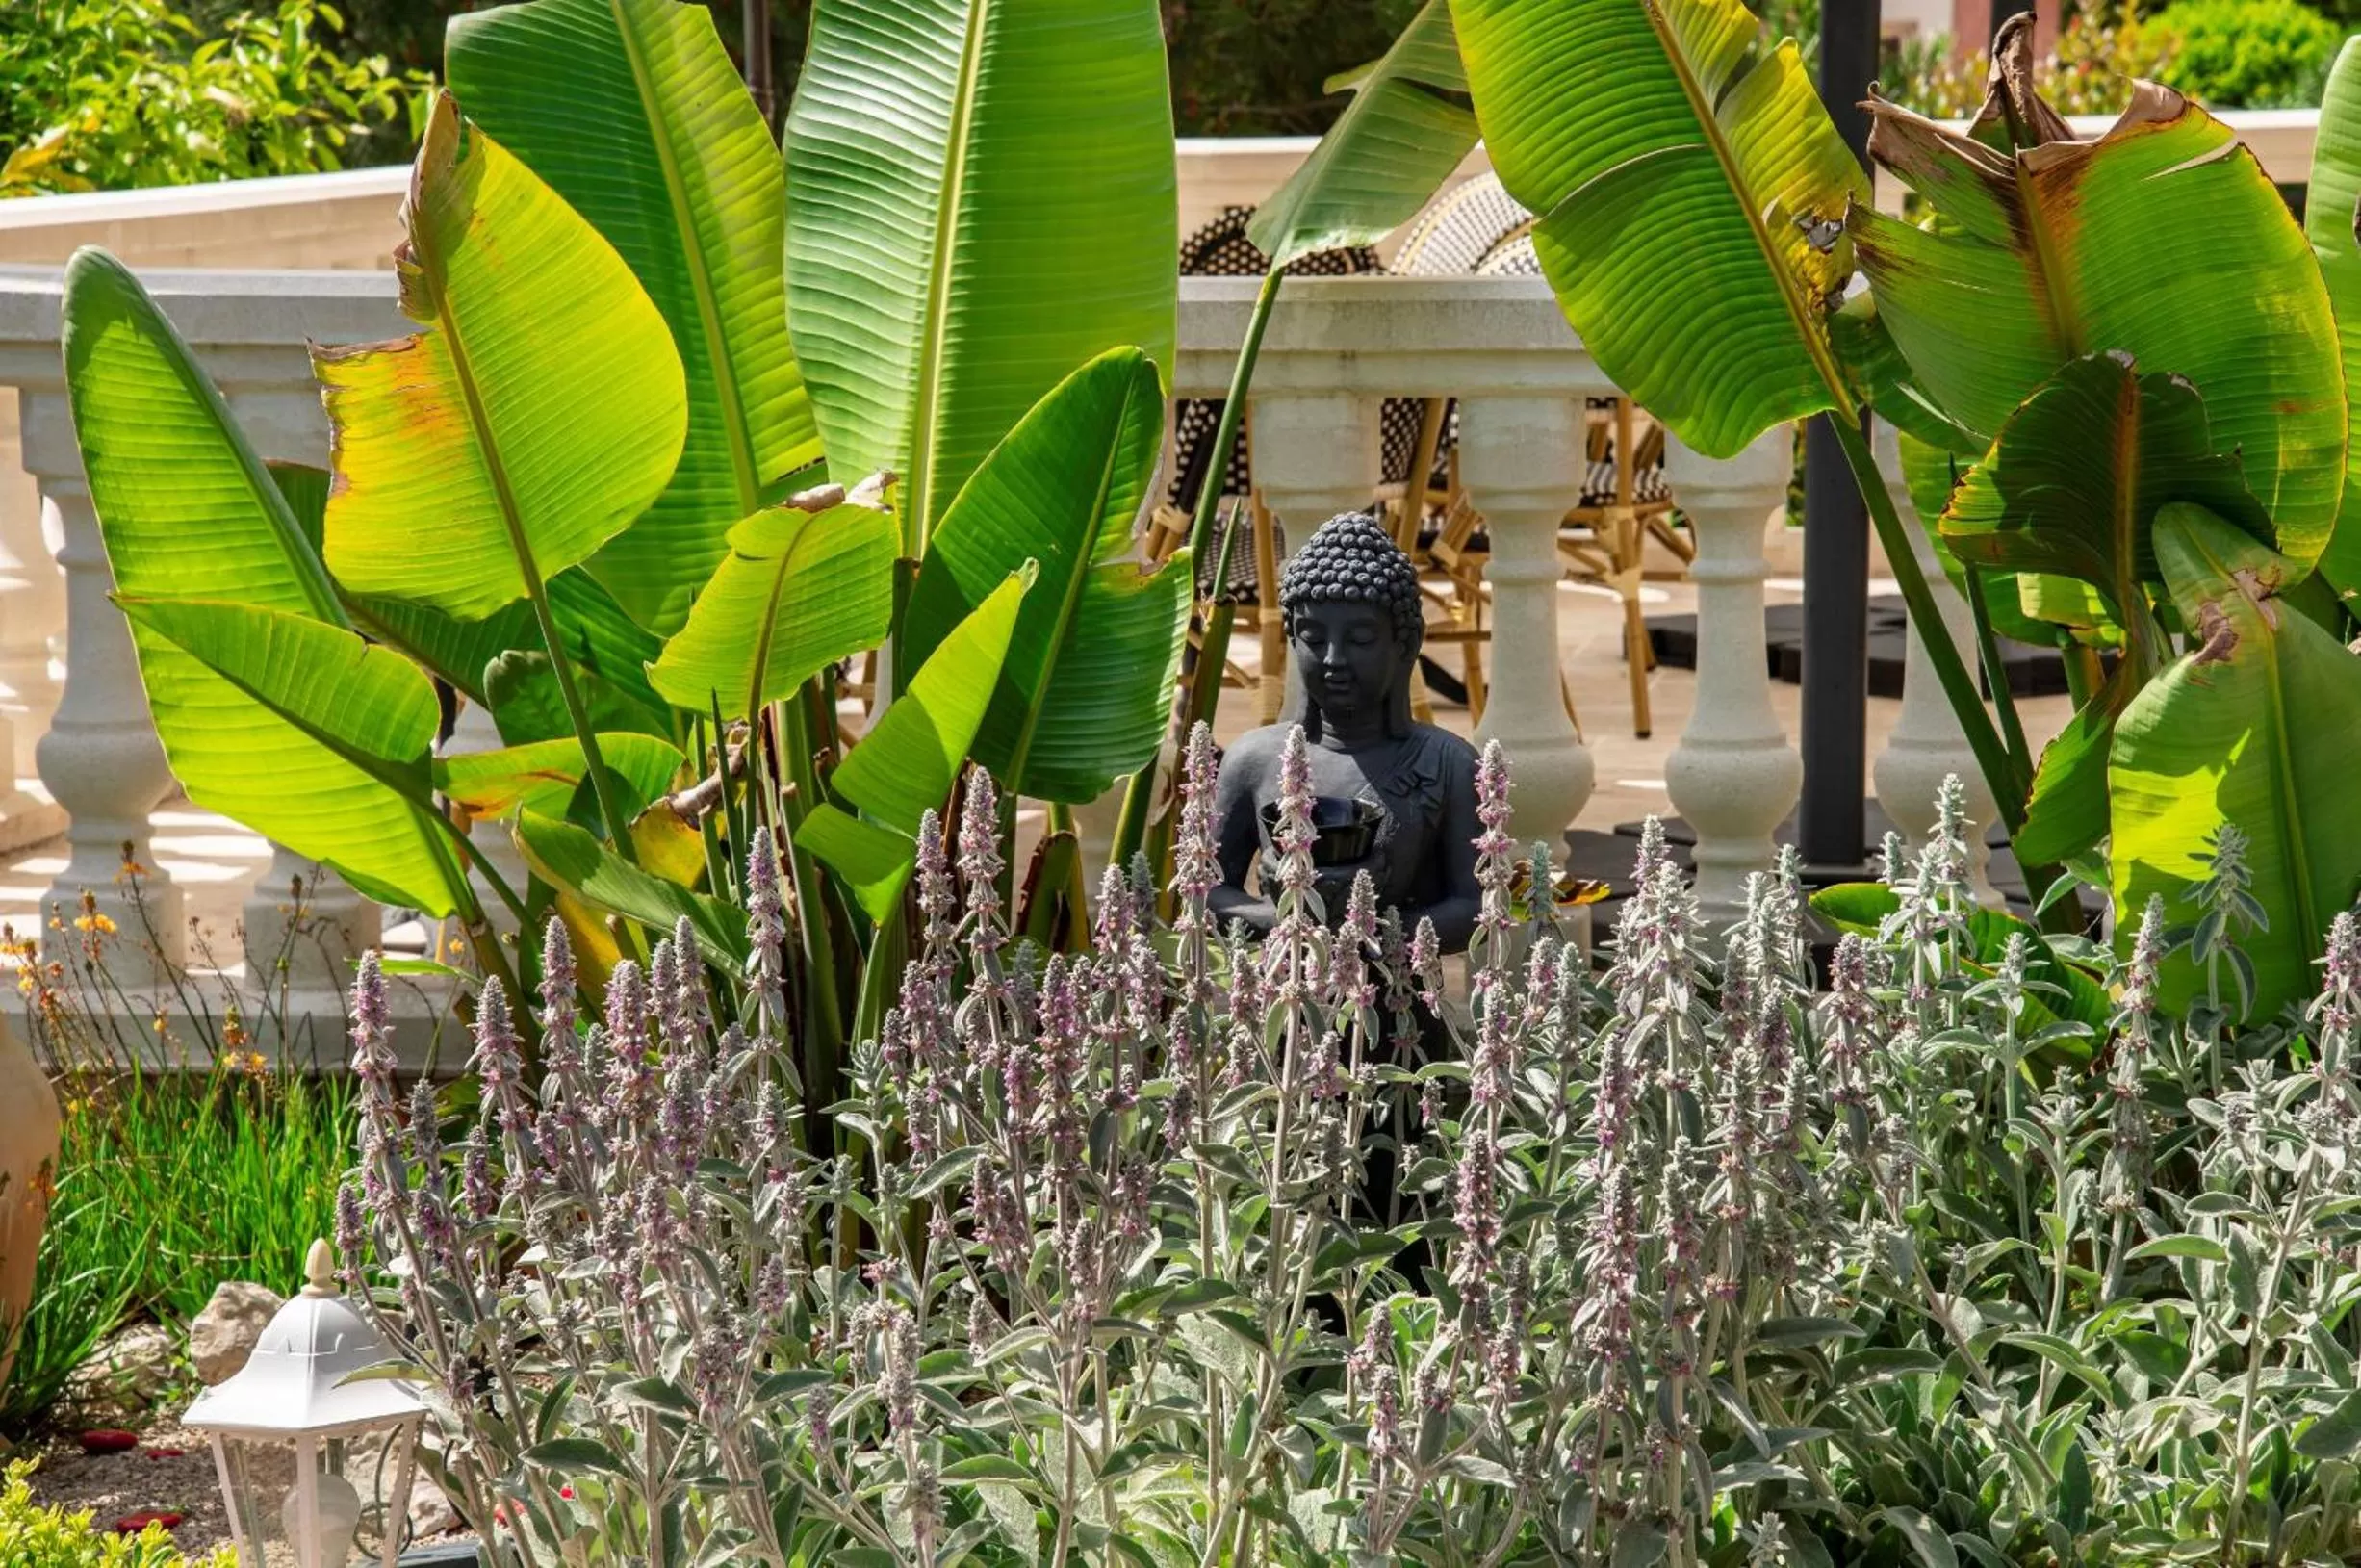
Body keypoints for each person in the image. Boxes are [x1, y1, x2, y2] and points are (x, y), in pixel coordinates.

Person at [1209, 512, 1482, 951]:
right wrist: (1285, 917)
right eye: (1314, 638)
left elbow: (1475, 909)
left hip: (1395, 1009)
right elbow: (1203, 890)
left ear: (1406, 644)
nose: (1334, 659)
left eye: (1359, 640)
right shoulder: (1253, 759)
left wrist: (1366, 929)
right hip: (1283, 999)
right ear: (1292, 641)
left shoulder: (1448, 763)